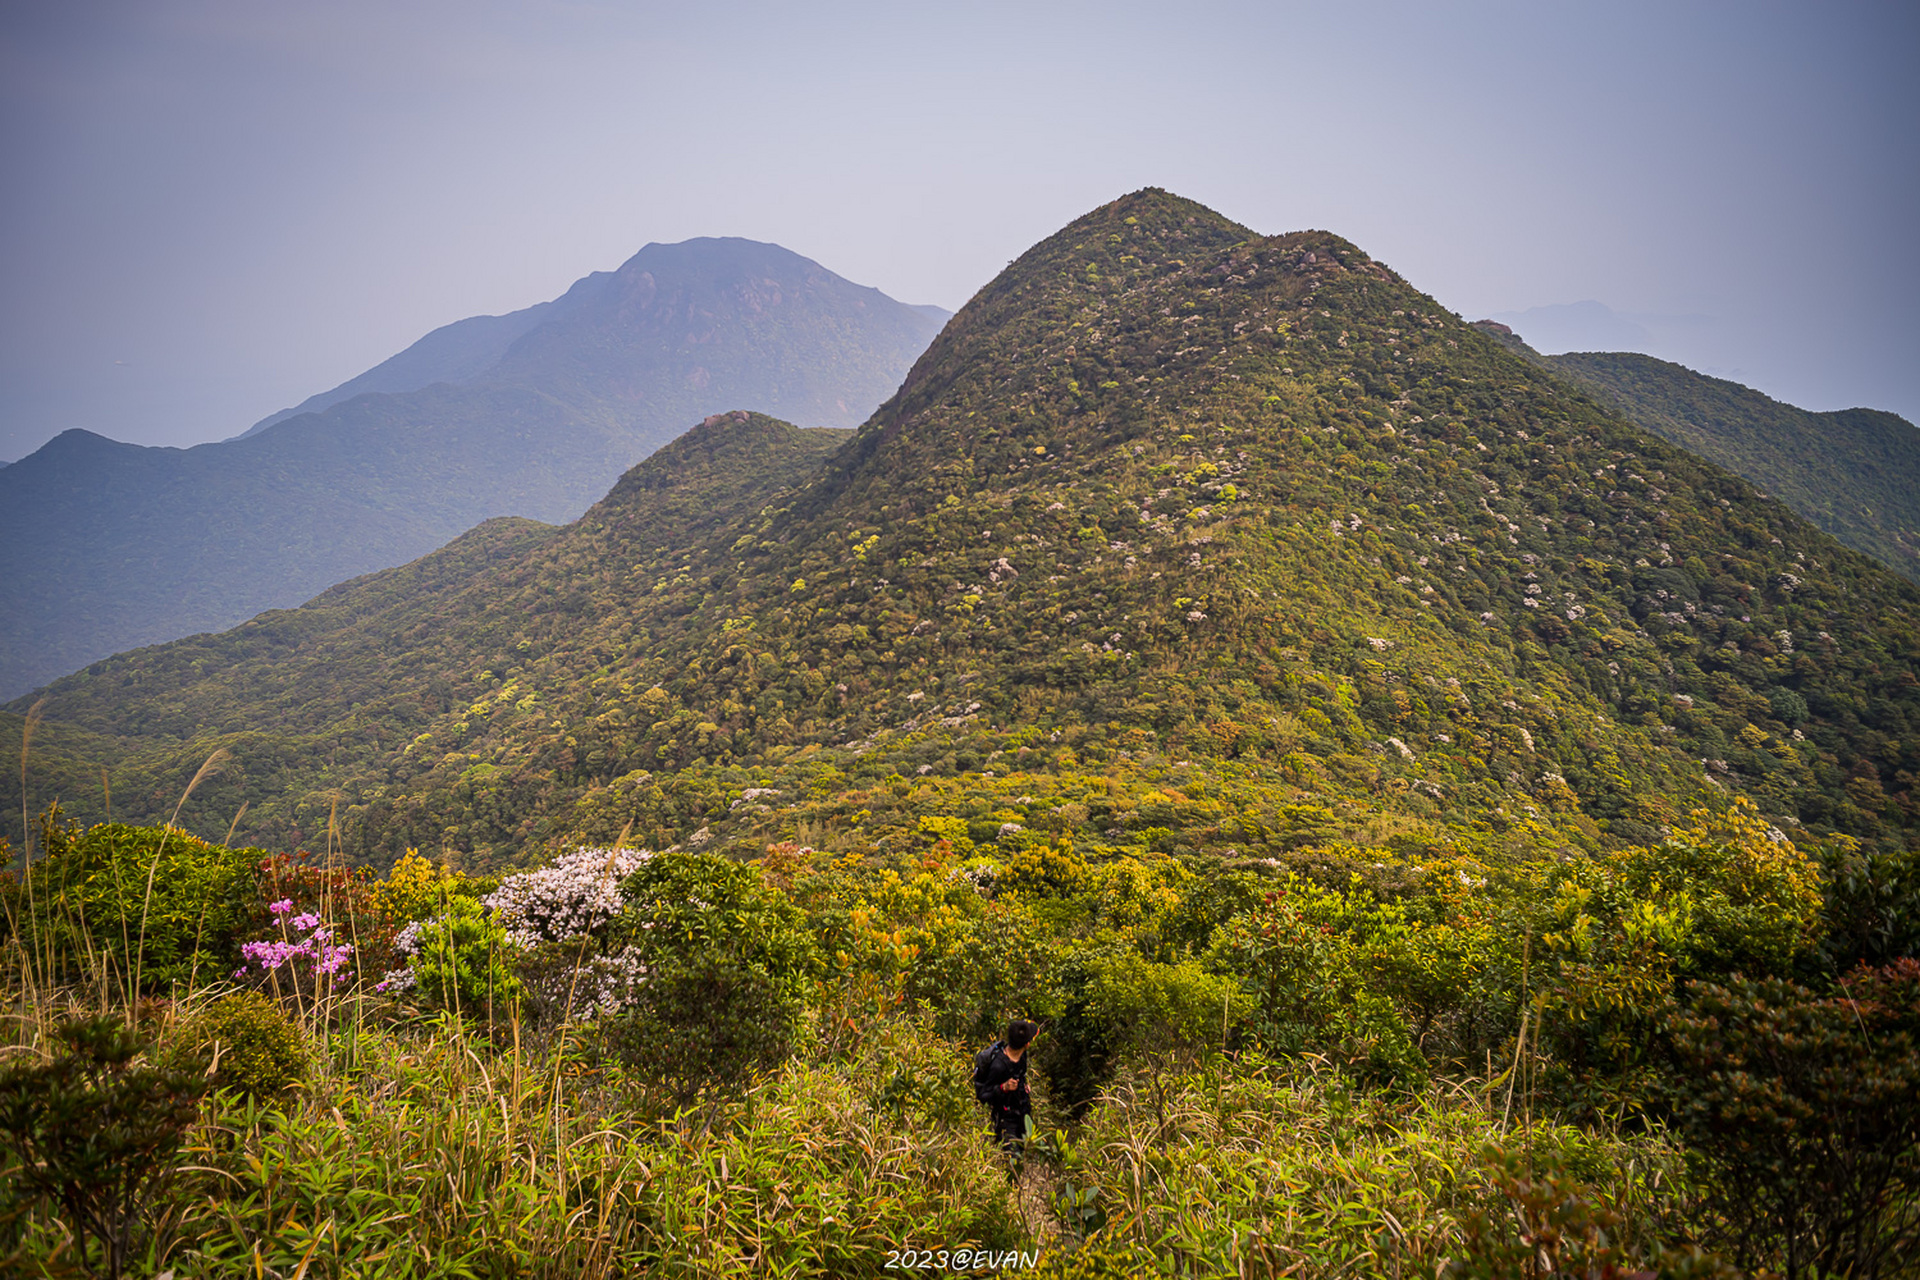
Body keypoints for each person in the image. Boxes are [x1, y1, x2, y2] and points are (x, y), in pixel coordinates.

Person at [973, 1019, 1036, 1153]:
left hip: (1022, 1114)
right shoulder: (998, 1066)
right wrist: (1003, 1088)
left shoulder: (1022, 1056)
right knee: (1011, 1158)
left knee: (1022, 1152)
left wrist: (1024, 1085)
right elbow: (983, 1095)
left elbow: (1021, 1074)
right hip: (1005, 1120)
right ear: (1027, 1044)